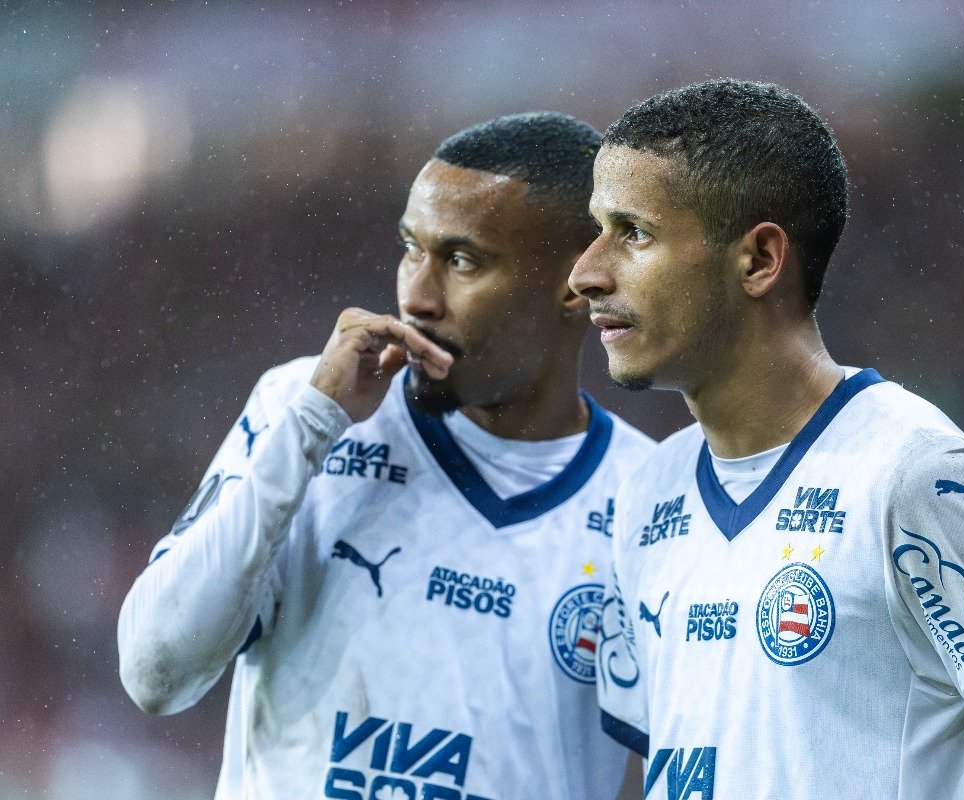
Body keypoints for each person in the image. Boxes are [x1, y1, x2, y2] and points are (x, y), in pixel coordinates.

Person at [569, 80, 964, 799]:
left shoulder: (918, 477)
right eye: (595, 230)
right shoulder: (647, 495)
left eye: (632, 232)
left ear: (760, 260)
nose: (586, 272)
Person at [118, 112, 652, 800]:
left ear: (578, 284)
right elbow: (155, 672)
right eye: (411, 249)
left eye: (461, 261)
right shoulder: (304, 412)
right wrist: (311, 424)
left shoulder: (650, 499)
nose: (416, 297)